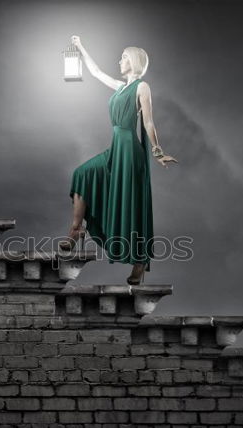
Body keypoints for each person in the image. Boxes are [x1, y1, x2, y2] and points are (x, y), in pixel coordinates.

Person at [60, 35, 177, 285]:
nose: (119, 60)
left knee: (133, 203)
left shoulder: (141, 87)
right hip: (115, 147)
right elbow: (95, 71)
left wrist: (157, 151)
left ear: (134, 61)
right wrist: (80, 46)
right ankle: (76, 230)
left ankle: (140, 262)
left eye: (124, 57)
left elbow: (147, 121)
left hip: (130, 151)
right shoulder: (119, 86)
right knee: (83, 174)